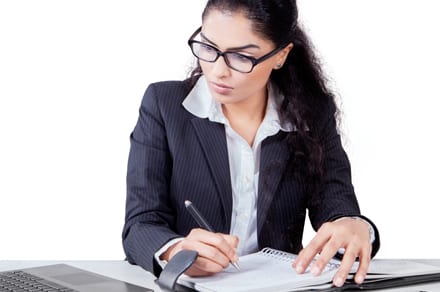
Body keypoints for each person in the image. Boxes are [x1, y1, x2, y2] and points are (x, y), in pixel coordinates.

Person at [122, 0, 380, 288]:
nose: (218, 71)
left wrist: (354, 226)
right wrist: (175, 250)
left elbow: (336, 205)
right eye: (208, 48)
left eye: (241, 57)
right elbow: (140, 224)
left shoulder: (312, 114)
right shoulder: (164, 105)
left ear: (281, 55)